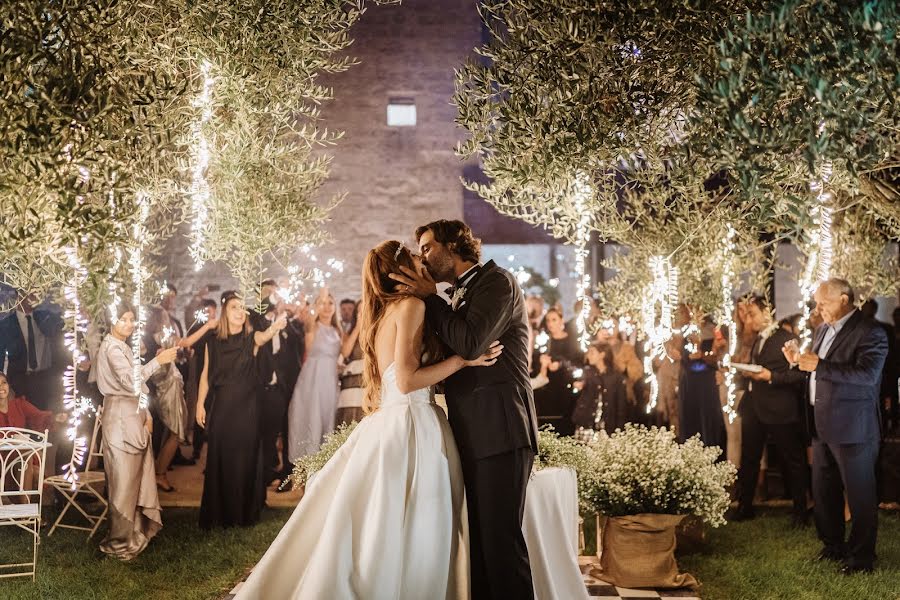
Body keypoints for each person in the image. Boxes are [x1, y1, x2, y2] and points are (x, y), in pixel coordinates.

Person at [235, 240, 502, 599]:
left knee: (383, 520)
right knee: (419, 519)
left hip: (390, 422)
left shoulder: (382, 313)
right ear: (399, 270)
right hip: (412, 424)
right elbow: (407, 381)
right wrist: (463, 361)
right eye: (412, 256)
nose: (420, 261)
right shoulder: (410, 307)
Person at [393, 219, 539, 600]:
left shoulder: (497, 282)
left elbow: (472, 344)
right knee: (477, 547)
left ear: (453, 245)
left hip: (501, 431)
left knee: (500, 546)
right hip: (471, 434)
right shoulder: (456, 293)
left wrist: (429, 297)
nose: (423, 257)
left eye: (427, 248)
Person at [785, 278, 888, 574]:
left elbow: (867, 375)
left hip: (854, 427)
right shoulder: (821, 330)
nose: (818, 308)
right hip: (822, 425)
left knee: (860, 496)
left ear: (844, 299)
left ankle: (861, 558)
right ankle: (832, 546)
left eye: (823, 303)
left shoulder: (871, 332)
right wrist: (797, 362)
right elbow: (816, 371)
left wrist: (819, 365)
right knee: (824, 491)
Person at [196, 291, 285, 529]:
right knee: (221, 457)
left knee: (244, 457)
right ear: (225, 310)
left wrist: (276, 326)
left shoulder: (251, 338)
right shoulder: (213, 341)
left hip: (247, 407)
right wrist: (199, 404)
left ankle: (242, 513)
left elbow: (265, 336)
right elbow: (205, 375)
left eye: (242, 308)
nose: (239, 312)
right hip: (223, 406)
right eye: (234, 307)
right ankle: (219, 514)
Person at [95, 304, 178, 560]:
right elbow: (130, 382)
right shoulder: (111, 349)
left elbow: (138, 387)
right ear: (112, 321)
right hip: (120, 420)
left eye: (132, 320)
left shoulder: (123, 347)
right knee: (123, 482)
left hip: (133, 417)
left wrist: (147, 414)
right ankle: (119, 543)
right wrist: (157, 361)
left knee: (133, 479)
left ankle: (134, 533)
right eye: (124, 319)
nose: (130, 324)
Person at [730, 295, 809, 527]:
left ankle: (800, 512)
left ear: (767, 313)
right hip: (754, 406)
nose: (748, 319)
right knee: (749, 457)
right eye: (745, 315)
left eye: (752, 313)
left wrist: (770, 376)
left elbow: (800, 374)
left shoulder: (787, 339)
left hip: (780, 409)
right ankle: (745, 507)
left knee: (792, 459)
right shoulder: (756, 340)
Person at [286, 291, 343, 462]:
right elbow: (310, 325)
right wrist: (322, 292)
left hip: (330, 381)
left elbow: (342, 353)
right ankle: (305, 468)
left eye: (330, 303)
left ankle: (324, 465)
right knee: (310, 417)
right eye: (322, 303)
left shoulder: (338, 331)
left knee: (328, 418)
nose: (326, 307)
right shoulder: (313, 326)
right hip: (312, 379)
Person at [532, 306, 582, 435]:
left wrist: (560, 364)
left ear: (561, 321)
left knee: (564, 425)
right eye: (548, 320)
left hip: (565, 389)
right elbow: (535, 361)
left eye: (554, 319)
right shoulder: (545, 341)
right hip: (546, 388)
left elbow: (577, 362)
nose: (550, 323)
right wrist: (542, 361)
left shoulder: (572, 341)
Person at [572, 342, 627, 439]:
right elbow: (579, 387)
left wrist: (619, 430)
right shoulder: (587, 372)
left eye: (592, 352)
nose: (588, 356)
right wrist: (577, 386)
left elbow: (621, 406)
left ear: (602, 355)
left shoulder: (616, 377)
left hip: (606, 427)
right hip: (585, 424)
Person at [336, 301, 365, 426]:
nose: (363, 314)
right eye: (359, 311)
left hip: (368, 378)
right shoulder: (349, 334)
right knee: (349, 415)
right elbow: (345, 352)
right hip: (351, 380)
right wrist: (358, 327)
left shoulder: (379, 331)